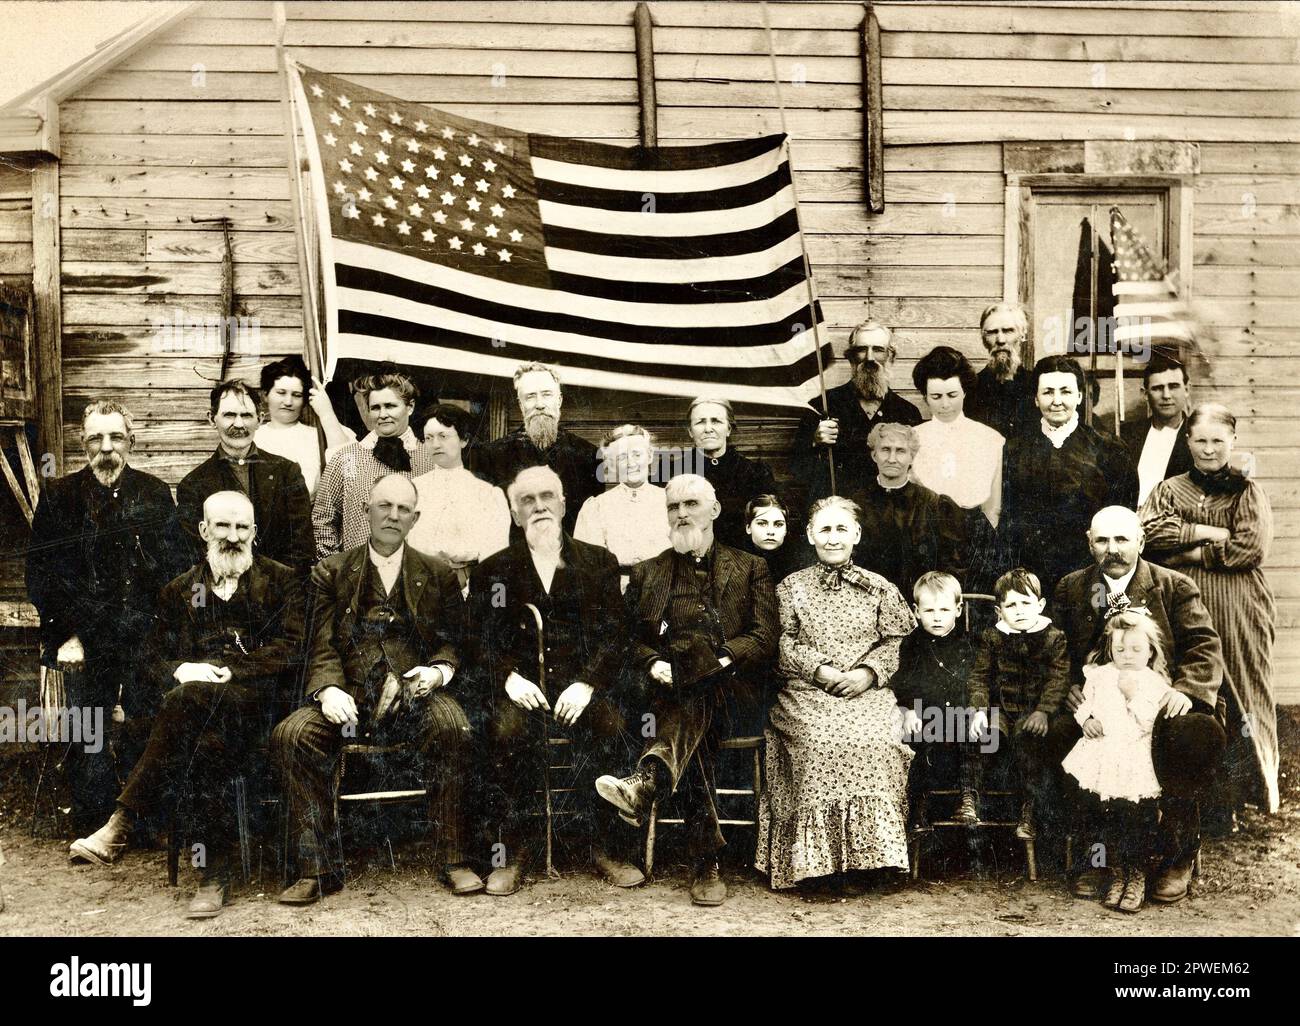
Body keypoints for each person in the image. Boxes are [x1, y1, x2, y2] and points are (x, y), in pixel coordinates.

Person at [68, 492, 304, 918]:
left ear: (254, 532)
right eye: (222, 527)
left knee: (188, 708)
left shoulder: (281, 580)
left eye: (240, 527)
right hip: (202, 719)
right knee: (204, 735)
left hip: (262, 710)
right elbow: (151, 662)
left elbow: (293, 648)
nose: (232, 537)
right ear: (203, 531)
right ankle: (214, 877)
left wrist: (232, 670)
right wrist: (183, 670)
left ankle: (123, 821)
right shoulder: (181, 591)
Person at [272, 474, 478, 903]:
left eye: (403, 509)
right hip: (349, 698)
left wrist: (438, 671)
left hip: (415, 695)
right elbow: (320, 642)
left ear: (415, 518)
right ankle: (316, 869)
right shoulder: (330, 572)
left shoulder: (438, 572)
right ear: (365, 511)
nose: (393, 515)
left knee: (452, 726)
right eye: (384, 506)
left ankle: (455, 859)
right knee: (293, 735)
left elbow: (455, 639)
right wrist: (328, 690)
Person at [595, 474, 777, 907]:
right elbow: (624, 638)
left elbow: (765, 634)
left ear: (714, 510)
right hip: (666, 694)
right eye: (673, 507)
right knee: (692, 713)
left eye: (691, 504)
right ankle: (705, 862)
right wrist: (651, 662)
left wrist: (723, 659)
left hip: (733, 692)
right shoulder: (648, 571)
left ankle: (648, 779)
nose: (682, 514)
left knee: (699, 688)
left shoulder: (751, 567)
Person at [468, 465, 642, 895]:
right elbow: (476, 639)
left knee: (614, 726)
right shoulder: (494, 569)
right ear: (513, 512)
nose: (539, 506)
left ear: (564, 504)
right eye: (527, 500)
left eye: (548, 496)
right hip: (523, 691)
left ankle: (604, 848)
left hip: (579, 690)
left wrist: (586, 684)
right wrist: (508, 677)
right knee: (504, 731)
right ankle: (513, 851)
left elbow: (616, 635)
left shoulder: (597, 563)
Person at [26, 399, 188, 835]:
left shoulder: (154, 493)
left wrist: (163, 634)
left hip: (142, 633)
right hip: (83, 635)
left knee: (145, 719)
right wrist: (66, 636)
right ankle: (93, 818)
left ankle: (142, 817)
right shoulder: (59, 497)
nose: (106, 448)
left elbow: (174, 570)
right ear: (83, 445)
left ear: (130, 442)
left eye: (115, 437)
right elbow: (42, 577)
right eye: (96, 438)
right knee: (89, 725)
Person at [1050, 506, 1226, 905]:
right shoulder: (1072, 588)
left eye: (1122, 539)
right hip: (1101, 700)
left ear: (1141, 542)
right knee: (1060, 734)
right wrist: (1067, 689)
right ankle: (1098, 858)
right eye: (1103, 540)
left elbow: (1204, 646)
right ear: (1090, 543)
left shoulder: (1173, 586)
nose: (1113, 549)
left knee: (1187, 737)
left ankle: (1175, 857)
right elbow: (1056, 650)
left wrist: (1186, 689)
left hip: (1162, 700)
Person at [755, 496, 916, 890]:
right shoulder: (791, 588)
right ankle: (817, 866)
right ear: (810, 535)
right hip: (808, 689)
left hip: (866, 690)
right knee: (818, 740)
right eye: (824, 530)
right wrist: (819, 670)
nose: (832, 538)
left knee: (877, 738)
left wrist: (867, 673)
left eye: (841, 529)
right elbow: (783, 642)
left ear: (856, 535)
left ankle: (872, 862)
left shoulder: (879, 587)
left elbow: (896, 642)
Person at [1139, 403, 1278, 819]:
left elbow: (1249, 547)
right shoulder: (1168, 488)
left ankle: (1248, 791)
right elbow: (1151, 533)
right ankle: (1198, 796)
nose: (1209, 449)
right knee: (1195, 691)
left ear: (1233, 442)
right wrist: (1207, 532)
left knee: (1243, 691)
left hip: (1239, 605)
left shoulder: (1247, 491)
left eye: (1218, 440)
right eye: (1200, 440)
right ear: (1187, 442)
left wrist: (1191, 552)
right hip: (1185, 606)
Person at [1062, 610, 1176, 914]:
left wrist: (1132, 696)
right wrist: (1085, 719)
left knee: (1137, 818)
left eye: (1137, 650)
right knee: (1104, 816)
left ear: (1151, 650)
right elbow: (1082, 703)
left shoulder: (1153, 682)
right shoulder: (1099, 674)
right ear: (1109, 648)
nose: (1127, 656)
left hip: (1134, 759)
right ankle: (1115, 873)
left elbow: (1150, 723)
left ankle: (1136, 875)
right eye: (1120, 649)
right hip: (1102, 754)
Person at [1001, 354, 1138, 597]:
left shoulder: (1108, 448)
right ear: (1035, 398)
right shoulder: (1015, 450)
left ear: (1080, 396)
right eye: (1048, 392)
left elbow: (1122, 513)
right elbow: (1009, 516)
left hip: (1091, 572)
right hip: (1032, 575)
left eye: (1065, 391)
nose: (1056, 401)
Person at [966, 568, 1071, 839]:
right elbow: (980, 676)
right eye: (1011, 605)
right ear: (1000, 611)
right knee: (983, 737)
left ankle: (1030, 810)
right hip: (1000, 709)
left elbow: (1058, 679)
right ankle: (971, 798)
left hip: (1033, 710)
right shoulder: (993, 636)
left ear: (1040, 605)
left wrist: (1044, 712)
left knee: (1029, 741)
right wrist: (979, 710)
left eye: (1026, 603)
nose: (1020, 610)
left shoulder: (1053, 637)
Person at [177, 381, 314, 574]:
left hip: (279, 592)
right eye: (230, 415)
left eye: (247, 415)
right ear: (212, 418)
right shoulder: (193, 485)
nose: (239, 424)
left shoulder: (287, 473)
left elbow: (301, 548)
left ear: (260, 419)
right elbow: (194, 555)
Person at [312, 370, 438, 559]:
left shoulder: (432, 460)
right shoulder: (346, 459)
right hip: (358, 578)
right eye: (376, 408)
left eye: (390, 406)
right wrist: (338, 571)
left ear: (410, 407)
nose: (383, 414)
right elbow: (323, 521)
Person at [794, 321, 923, 501]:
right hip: (840, 513)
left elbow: (918, 474)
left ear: (890, 357)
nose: (870, 358)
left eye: (878, 349)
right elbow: (797, 468)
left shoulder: (907, 413)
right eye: (862, 349)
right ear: (851, 357)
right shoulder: (822, 406)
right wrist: (814, 442)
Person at [472, 362, 601, 538]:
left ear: (559, 400)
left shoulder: (587, 455)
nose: (539, 404)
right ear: (520, 404)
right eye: (531, 396)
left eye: (547, 394)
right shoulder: (493, 456)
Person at [892, 571, 980, 831]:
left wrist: (977, 710)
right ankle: (919, 805)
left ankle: (968, 796)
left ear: (958, 609)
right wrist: (908, 711)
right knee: (913, 741)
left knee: (973, 738)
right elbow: (904, 683)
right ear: (916, 611)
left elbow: (978, 682)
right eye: (929, 610)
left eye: (944, 609)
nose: (937, 617)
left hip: (961, 714)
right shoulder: (911, 645)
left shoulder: (969, 644)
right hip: (925, 714)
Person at [848, 422, 967, 598]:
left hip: (920, 600)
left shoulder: (932, 504)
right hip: (866, 598)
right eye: (885, 450)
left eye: (900, 451)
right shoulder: (856, 504)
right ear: (874, 455)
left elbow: (951, 562)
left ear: (912, 457)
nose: (892, 458)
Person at [408, 403, 511, 591]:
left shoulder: (487, 494)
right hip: (420, 587)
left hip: (469, 586)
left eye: (443, 436)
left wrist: (488, 601)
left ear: (463, 440)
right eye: (428, 438)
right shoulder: (413, 490)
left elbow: (495, 561)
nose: (436, 444)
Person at [910, 345, 1004, 528]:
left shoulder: (990, 439)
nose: (945, 404)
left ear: (964, 393)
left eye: (952, 395)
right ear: (925, 397)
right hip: (924, 532)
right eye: (936, 396)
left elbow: (993, 506)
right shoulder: (913, 438)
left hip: (974, 532)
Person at [668, 396, 776, 550]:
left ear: (729, 429)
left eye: (716, 421)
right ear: (690, 431)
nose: (708, 429)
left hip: (741, 561)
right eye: (700, 422)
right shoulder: (673, 470)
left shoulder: (755, 472)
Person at [574, 423, 671, 588]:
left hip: (665, 591)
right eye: (621, 458)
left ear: (649, 456)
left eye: (637, 454)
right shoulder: (597, 507)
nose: (631, 463)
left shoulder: (670, 501)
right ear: (611, 464)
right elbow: (589, 565)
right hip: (615, 593)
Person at [253, 355, 356, 497]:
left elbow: (349, 467)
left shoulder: (317, 436)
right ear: (265, 395)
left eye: (296, 395)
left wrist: (326, 413)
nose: (288, 401)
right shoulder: (254, 436)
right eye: (281, 393)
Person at [966, 303, 1035, 440]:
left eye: (1008, 331)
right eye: (992, 332)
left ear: (1022, 335)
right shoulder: (971, 388)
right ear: (983, 339)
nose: (1000, 340)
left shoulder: (1036, 385)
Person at [741, 494, 807, 587]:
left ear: (786, 529)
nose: (770, 532)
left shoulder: (799, 564)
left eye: (778, 524)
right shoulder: (737, 563)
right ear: (748, 528)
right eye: (762, 524)